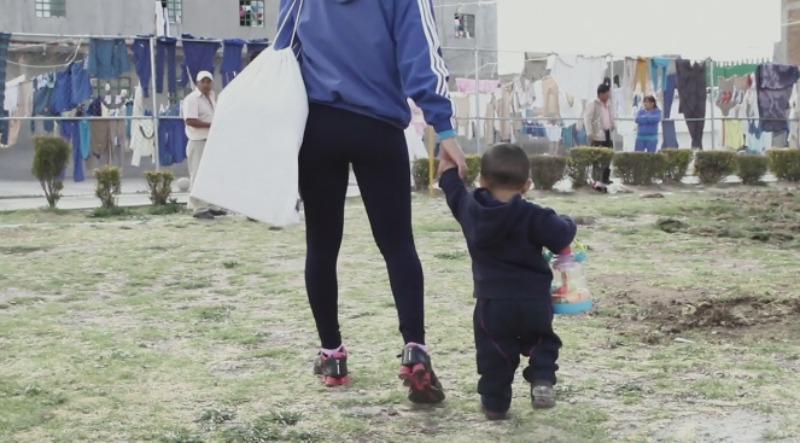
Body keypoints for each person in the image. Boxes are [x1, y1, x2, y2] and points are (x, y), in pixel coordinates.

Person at [274, 0, 468, 403]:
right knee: (398, 245)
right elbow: (421, 53)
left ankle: (332, 356)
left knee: (321, 246)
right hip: (379, 127)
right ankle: (414, 348)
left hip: (318, 127)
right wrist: (444, 128)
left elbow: (283, 53)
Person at [439, 143, 576, 420]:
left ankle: (495, 404)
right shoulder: (534, 215)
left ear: (482, 180)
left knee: (494, 352)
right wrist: (566, 220)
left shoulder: (470, 210)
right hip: (534, 301)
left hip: (493, 303)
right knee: (542, 340)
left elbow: (453, 190)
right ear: (526, 185)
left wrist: (448, 167)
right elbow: (562, 234)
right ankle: (542, 378)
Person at [182, 70, 226, 220]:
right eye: (203, 82)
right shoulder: (192, 99)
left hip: (211, 141)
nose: (206, 85)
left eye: (209, 82)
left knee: (211, 174)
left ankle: (211, 205)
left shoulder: (212, 97)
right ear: (197, 83)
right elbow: (190, 120)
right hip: (198, 141)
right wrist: (211, 125)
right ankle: (199, 208)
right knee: (198, 174)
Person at [584, 82, 615, 184]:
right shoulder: (593, 104)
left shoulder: (609, 104)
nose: (608, 95)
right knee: (597, 159)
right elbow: (587, 119)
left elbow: (610, 115)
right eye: (606, 93)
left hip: (607, 133)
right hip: (597, 135)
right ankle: (596, 179)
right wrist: (589, 133)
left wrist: (612, 124)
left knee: (607, 157)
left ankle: (605, 178)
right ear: (601, 94)